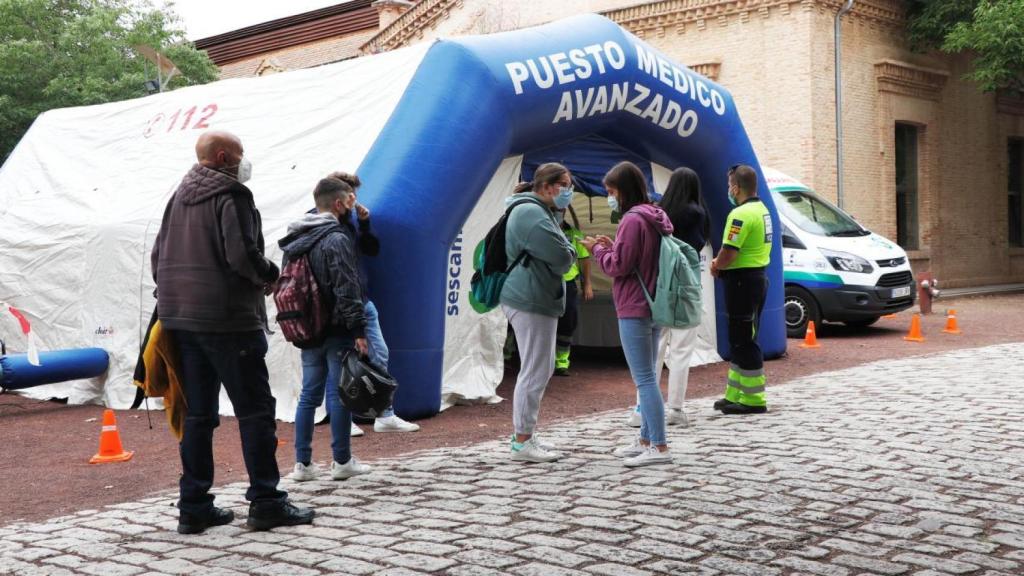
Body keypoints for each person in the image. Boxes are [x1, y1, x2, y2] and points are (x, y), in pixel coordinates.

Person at [151, 131, 314, 533]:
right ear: (223, 156)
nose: (244, 163)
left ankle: (194, 507)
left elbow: (158, 257)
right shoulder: (232, 194)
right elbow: (241, 255)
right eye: (240, 155)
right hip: (228, 320)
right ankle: (266, 500)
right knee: (255, 411)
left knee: (198, 415)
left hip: (181, 321)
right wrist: (271, 275)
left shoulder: (177, 196)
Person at [279, 175, 374, 483]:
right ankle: (342, 460)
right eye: (349, 201)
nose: (352, 206)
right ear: (337, 203)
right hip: (335, 326)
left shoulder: (294, 238)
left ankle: (302, 464)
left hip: (305, 326)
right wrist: (359, 330)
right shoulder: (336, 238)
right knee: (339, 392)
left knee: (309, 394)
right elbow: (347, 287)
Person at [582, 161, 674, 467]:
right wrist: (613, 246)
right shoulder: (654, 215)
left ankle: (658, 447)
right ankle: (646, 439)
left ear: (624, 190)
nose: (610, 197)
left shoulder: (632, 220)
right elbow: (632, 256)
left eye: (611, 192)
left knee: (644, 379)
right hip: (654, 303)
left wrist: (597, 250)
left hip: (634, 305)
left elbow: (617, 267)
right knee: (648, 376)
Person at [501, 163, 577, 462]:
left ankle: (526, 434)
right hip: (530, 297)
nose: (569, 192)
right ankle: (522, 441)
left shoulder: (538, 211)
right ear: (547, 187)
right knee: (535, 369)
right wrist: (568, 251)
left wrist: (565, 250)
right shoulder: (531, 213)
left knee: (539, 367)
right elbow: (562, 256)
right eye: (565, 185)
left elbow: (561, 253)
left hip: (535, 295)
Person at [626, 167, 709, 427]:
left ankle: (643, 407)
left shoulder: (659, 213)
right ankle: (675, 408)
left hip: (659, 287)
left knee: (652, 351)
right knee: (681, 351)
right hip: (687, 288)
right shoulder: (698, 214)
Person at [337, 173, 420, 434]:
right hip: (340, 304)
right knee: (341, 360)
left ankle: (385, 415)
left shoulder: (351, 221)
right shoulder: (324, 222)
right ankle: (343, 419)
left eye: (355, 194)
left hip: (363, 299)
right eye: (350, 194)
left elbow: (371, 250)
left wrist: (363, 223)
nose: (354, 199)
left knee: (380, 353)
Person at [710, 164, 772, 415]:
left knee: (744, 338)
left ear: (736, 187)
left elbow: (729, 252)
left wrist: (715, 264)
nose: (728, 190)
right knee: (741, 337)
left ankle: (754, 400)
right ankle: (735, 393)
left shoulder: (740, 215)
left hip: (741, 281)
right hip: (755, 278)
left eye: (729, 185)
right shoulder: (762, 210)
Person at [554, 205, 594, 377]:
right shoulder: (540, 228)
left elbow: (584, 260)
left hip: (569, 282)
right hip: (545, 282)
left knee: (568, 322)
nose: (558, 213)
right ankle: (510, 353)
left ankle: (561, 362)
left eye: (561, 210)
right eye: (555, 209)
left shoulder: (574, 233)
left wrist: (587, 284)